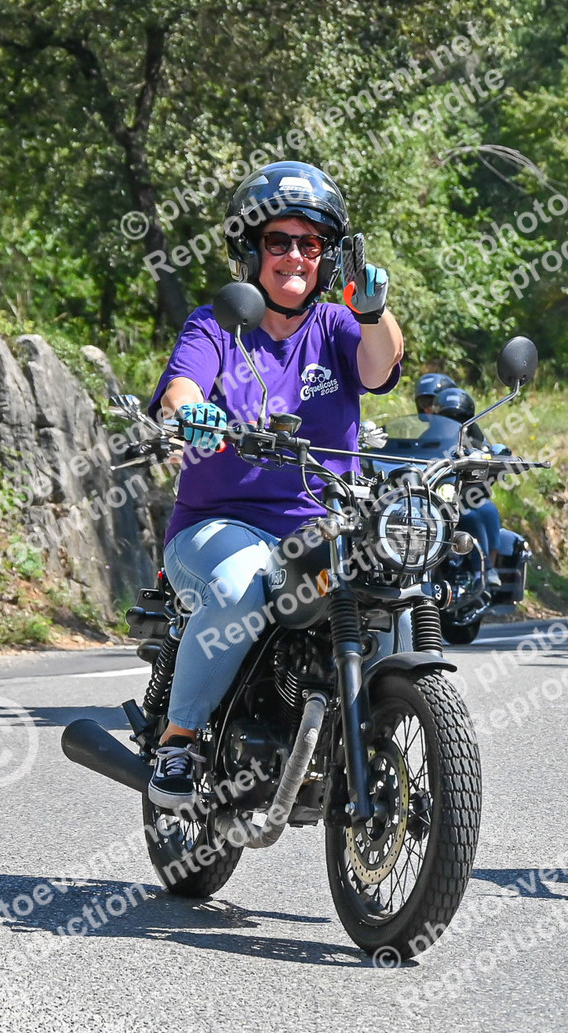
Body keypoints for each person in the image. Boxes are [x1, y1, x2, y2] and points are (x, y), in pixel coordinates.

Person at [144, 160, 404, 810]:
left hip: (325, 528)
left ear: (327, 256)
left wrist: (375, 312)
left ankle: (372, 733)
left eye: (310, 243)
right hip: (219, 526)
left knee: (396, 587)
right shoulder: (218, 323)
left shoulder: (336, 326)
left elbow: (380, 368)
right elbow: (181, 386)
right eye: (279, 241)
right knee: (238, 589)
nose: (295, 256)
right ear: (251, 249)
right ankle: (179, 740)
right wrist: (193, 412)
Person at [435, 386, 503, 588]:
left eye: (460, 418)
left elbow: (490, 454)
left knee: (485, 513)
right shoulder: (428, 437)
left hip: (467, 496)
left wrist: (492, 459)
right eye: (448, 417)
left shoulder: (476, 439)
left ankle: (486, 570)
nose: (454, 422)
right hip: (435, 495)